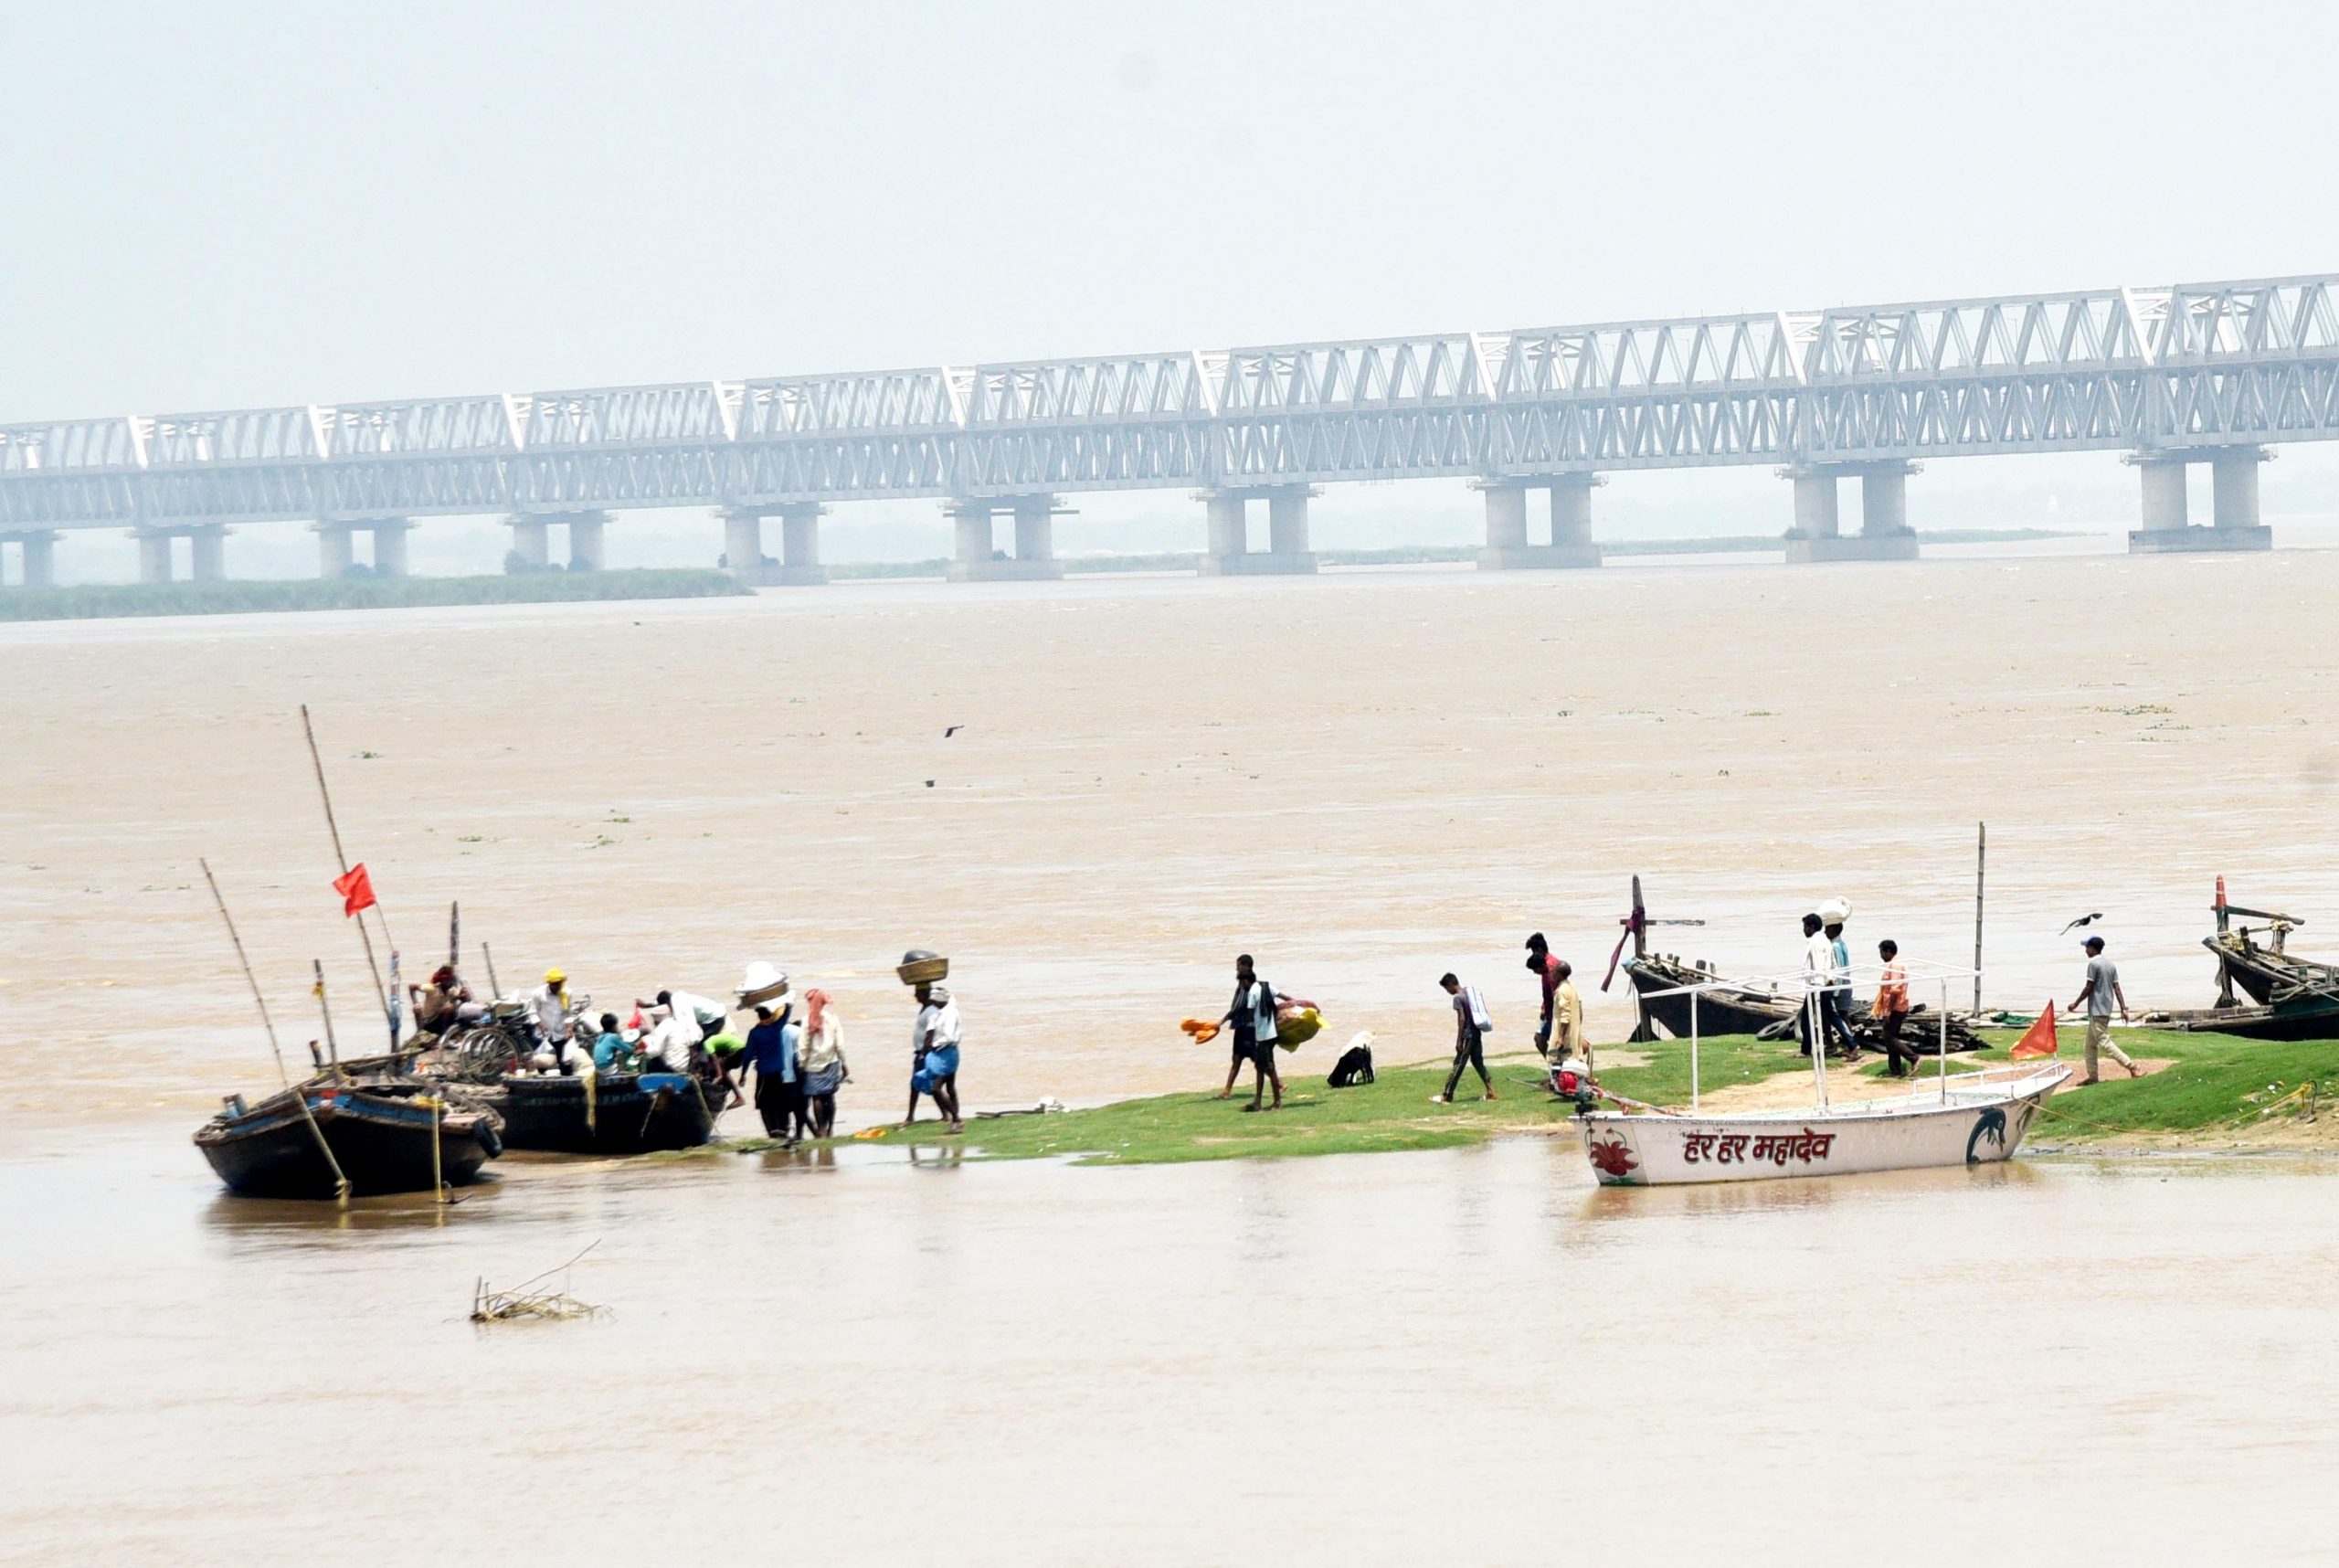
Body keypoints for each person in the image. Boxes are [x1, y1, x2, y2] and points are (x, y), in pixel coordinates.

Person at [1214, 954, 1282, 1112]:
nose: (1236, 968)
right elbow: (1283, 997)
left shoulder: (1250, 991)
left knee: (1266, 1066)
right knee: (1260, 1065)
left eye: (1238, 965)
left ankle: (1275, 1100)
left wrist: (1222, 1021)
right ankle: (1259, 1100)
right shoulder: (1265, 986)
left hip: (1257, 1033)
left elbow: (1244, 1011)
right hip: (1266, 1033)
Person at [2069, 935, 2140, 1084]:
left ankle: (2132, 1066)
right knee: (2089, 1046)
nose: (2086, 950)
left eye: (2087, 947)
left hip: (2097, 1010)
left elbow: (2089, 987)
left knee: (2105, 1043)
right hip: (2105, 1009)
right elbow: (2117, 988)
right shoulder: (2110, 965)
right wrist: (2123, 1008)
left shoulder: (2093, 965)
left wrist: (2075, 1004)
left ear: (2093, 949)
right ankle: (2093, 1077)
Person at [742, 998, 804, 1143]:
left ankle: (772, 1132)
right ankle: (783, 1129)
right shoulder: (777, 1027)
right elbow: (787, 1012)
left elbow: (748, 1055)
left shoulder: (755, 1032)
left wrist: (743, 1074)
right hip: (780, 1073)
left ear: (759, 1016)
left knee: (764, 1104)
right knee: (780, 1103)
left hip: (764, 1074)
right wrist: (786, 999)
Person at [906, 981, 963, 1132]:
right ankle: (953, 1118)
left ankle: (956, 1119)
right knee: (947, 1086)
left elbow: (949, 1037)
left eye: (935, 1001)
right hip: (942, 1053)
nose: (934, 1004)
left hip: (946, 1053)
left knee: (937, 1087)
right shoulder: (940, 1012)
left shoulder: (950, 1013)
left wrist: (933, 1044)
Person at [1434, 972, 1496, 1103]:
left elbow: (1462, 1018)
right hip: (1476, 1033)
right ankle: (1491, 1091)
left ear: (1451, 985)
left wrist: (1459, 1040)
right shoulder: (1469, 993)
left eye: (1446, 988)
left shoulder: (1458, 998)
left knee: (1458, 1064)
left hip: (1467, 1036)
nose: (1447, 991)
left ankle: (1447, 1095)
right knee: (1478, 1062)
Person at [799, 988, 849, 1138]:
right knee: (830, 1097)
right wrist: (844, 1063)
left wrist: (801, 1065)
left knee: (817, 1098)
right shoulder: (833, 1018)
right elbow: (839, 1044)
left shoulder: (806, 1020)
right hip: (831, 1062)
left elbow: (803, 1046)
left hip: (812, 1064)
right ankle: (830, 1128)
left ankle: (821, 1130)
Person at [1872, 940, 1917, 1075]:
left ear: (1888, 952)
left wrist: (1887, 1011)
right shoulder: (1897, 964)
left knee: (1889, 1037)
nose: (1881, 956)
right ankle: (1895, 1070)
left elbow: (1894, 990)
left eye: (1882, 952)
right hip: (1897, 1007)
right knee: (1890, 1038)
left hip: (1896, 1008)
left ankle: (1913, 1058)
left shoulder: (1895, 965)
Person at [1822, 913, 1862, 1062]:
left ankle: (1843, 1044)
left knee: (1834, 1015)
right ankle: (1846, 1044)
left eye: (1827, 929)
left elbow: (1837, 968)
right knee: (1843, 1015)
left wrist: (1835, 990)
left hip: (1839, 986)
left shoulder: (1834, 946)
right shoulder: (1841, 943)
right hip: (1846, 983)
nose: (1825, 932)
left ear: (1834, 929)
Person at [529, 968, 576, 1072]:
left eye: (559, 983)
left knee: (564, 1062)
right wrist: (540, 1024)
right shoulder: (539, 993)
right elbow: (532, 1011)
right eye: (554, 984)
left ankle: (566, 1083)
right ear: (549, 983)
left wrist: (569, 1028)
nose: (557, 986)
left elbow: (570, 1013)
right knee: (542, 1062)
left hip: (561, 1033)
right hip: (544, 1033)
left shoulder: (567, 993)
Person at [407, 965, 470, 1035]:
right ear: (442, 980)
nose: (450, 982)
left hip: (441, 1020)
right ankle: (442, 1034)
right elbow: (412, 986)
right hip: (429, 1021)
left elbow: (460, 996)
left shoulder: (451, 990)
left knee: (453, 1009)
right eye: (447, 980)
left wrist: (463, 995)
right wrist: (415, 1003)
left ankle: (446, 1032)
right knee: (448, 1007)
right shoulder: (432, 988)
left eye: (451, 980)